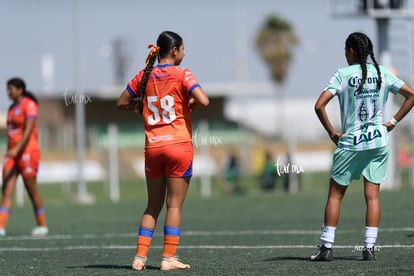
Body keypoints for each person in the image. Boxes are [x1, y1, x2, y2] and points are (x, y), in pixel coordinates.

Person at [311, 32, 414, 261]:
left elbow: (319, 106)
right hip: (378, 142)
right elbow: (411, 95)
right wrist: (392, 122)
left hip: (351, 144)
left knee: (336, 196)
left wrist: (331, 132)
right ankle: (369, 250)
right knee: (373, 197)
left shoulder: (343, 75)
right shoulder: (383, 72)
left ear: (350, 51)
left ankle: (326, 249)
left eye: (345, 51)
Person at [117, 31, 209, 271]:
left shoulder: (143, 75)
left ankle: (139, 258)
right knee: (174, 205)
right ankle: (168, 258)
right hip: (179, 146)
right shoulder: (183, 73)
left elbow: (121, 103)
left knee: (152, 206)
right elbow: (205, 100)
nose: (185, 53)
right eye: (183, 48)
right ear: (174, 50)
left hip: (153, 148)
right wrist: (191, 104)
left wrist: (139, 107)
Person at [0, 78, 48, 237]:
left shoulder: (29, 104)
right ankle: (1, 227)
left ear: (20, 89)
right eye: (7, 89)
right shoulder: (12, 108)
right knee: (6, 189)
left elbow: (28, 131)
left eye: (11, 89)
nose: (8, 92)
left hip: (28, 152)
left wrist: (17, 150)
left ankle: (42, 225)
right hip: (12, 155)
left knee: (31, 188)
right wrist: (11, 152)